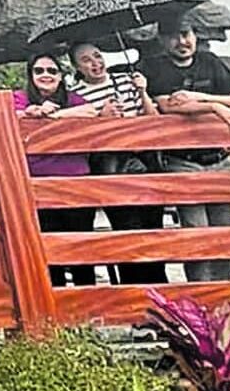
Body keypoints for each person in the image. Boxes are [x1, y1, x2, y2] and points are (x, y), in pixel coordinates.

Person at [140, 18, 230, 282]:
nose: (182, 42)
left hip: (219, 157)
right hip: (183, 160)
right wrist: (214, 108)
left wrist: (204, 99)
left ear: (195, 36)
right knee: (196, 230)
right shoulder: (157, 68)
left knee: (223, 231)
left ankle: (224, 298)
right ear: (163, 41)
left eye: (186, 34)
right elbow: (169, 106)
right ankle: (202, 298)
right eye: (173, 36)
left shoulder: (210, 62)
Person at [68, 43, 167, 285]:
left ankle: (162, 295)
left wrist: (142, 92)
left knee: (153, 229)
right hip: (110, 166)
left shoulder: (125, 80)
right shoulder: (75, 94)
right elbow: (81, 137)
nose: (95, 63)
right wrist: (103, 118)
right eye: (86, 60)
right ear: (76, 66)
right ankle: (133, 293)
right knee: (127, 230)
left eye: (98, 56)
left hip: (144, 161)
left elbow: (154, 120)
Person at [16, 54, 102, 288]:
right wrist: (30, 113)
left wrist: (52, 115)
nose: (46, 75)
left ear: (61, 76)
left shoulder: (73, 99)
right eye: (39, 71)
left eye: (52, 71)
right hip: (38, 184)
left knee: (81, 246)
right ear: (31, 76)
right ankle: (56, 305)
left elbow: (90, 112)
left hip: (76, 182)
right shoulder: (21, 99)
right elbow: (9, 115)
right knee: (47, 247)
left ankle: (85, 305)